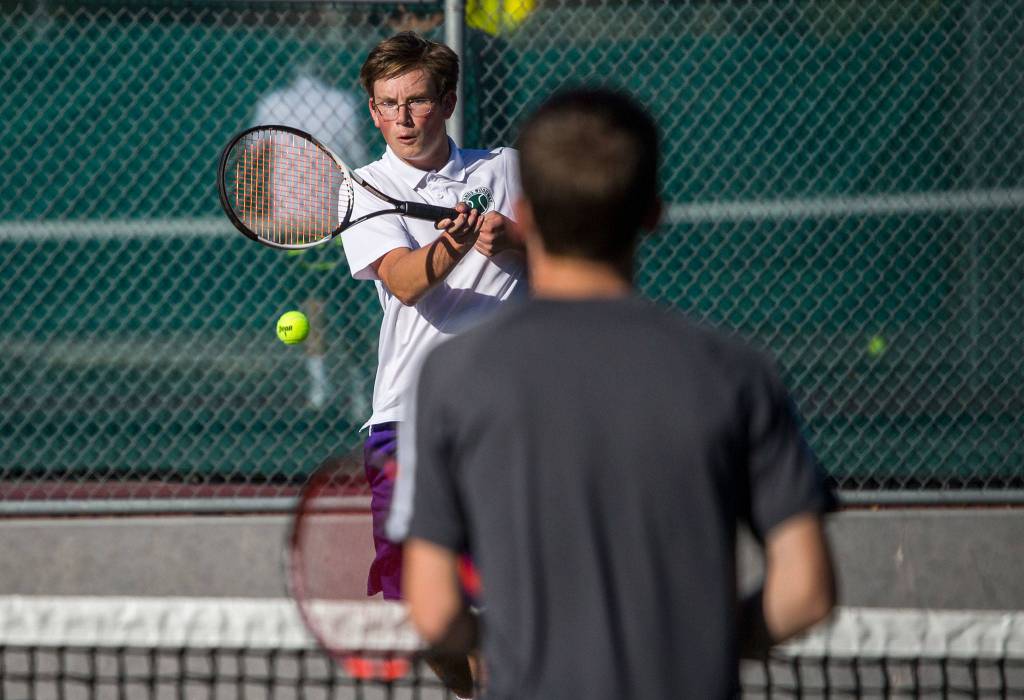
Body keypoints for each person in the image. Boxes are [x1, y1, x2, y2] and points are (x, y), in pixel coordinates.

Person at [391, 89, 837, 699]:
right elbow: (806, 590)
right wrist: (700, 641)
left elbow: (435, 611)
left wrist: (524, 648)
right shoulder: (739, 372)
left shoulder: (451, 378)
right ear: (651, 214)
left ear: (526, 210)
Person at [340, 30, 526, 696]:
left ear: (446, 101)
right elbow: (407, 279)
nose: (404, 118)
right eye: (388, 104)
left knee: (503, 598)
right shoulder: (363, 189)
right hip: (406, 419)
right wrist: (451, 249)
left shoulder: (504, 170)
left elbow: (567, 263)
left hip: (505, 419)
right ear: (371, 111)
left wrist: (515, 243)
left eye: (417, 100)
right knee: (423, 617)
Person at [254, 67, 371, 410]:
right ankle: (350, 393)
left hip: (303, 225)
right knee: (342, 311)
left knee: (315, 307)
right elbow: (356, 158)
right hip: (324, 222)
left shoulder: (271, 104)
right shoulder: (343, 104)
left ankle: (327, 392)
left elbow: (258, 156)